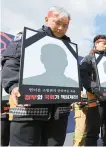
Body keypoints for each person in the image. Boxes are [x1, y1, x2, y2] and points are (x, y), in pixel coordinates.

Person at [1, 6, 72, 146]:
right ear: (46, 19)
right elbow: (11, 64)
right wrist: (14, 86)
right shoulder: (28, 38)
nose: (60, 28)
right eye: (57, 22)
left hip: (59, 114)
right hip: (28, 111)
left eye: (65, 25)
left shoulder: (69, 48)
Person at [80, 35, 106, 146]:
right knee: (93, 132)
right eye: (103, 43)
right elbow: (83, 76)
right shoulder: (89, 58)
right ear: (96, 43)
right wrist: (94, 89)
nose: (105, 46)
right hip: (95, 101)